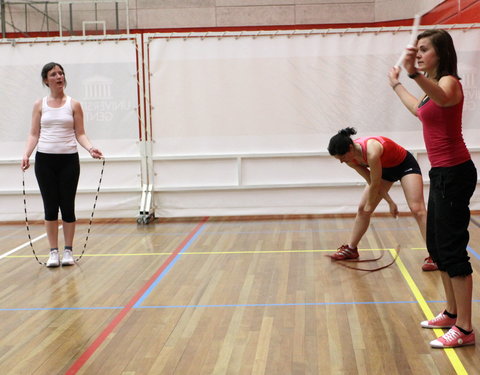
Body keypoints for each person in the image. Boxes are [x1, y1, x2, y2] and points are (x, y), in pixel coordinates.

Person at [389, 29, 476, 348]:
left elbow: (441, 98)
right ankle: (452, 314)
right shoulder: (430, 88)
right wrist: (397, 83)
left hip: (456, 173)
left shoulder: (449, 82)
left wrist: (411, 73)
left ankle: (465, 329)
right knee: (437, 246)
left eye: (425, 49)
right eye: (417, 49)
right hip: (440, 173)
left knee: (452, 250)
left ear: (441, 53)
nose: (419, 53)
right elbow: (420, 108)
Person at [21, 62, 103, 267]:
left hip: (68, 160)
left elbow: (80, 133)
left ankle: (68, 251)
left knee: (67, 206)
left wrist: (91, 148)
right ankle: (53, 252)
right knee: (50, 207)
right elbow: (34, 134)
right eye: (53, 74)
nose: (59, 77)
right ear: (46, 80)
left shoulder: (74, 105)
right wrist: (26, 154)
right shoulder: (39, 105)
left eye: (61, 73)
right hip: (45, 161)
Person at [328, 127, 436, 271]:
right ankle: (351, 249)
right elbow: (372, 181)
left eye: (342, 157)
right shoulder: (350, 159)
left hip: (404, 165)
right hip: (384, 170)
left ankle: (436, 256)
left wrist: (373, 204)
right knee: (362, 209)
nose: (341, 162)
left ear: (350, 148)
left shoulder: (372, 151)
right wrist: (390, 202)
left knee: (418, 210)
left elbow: (376, 183)